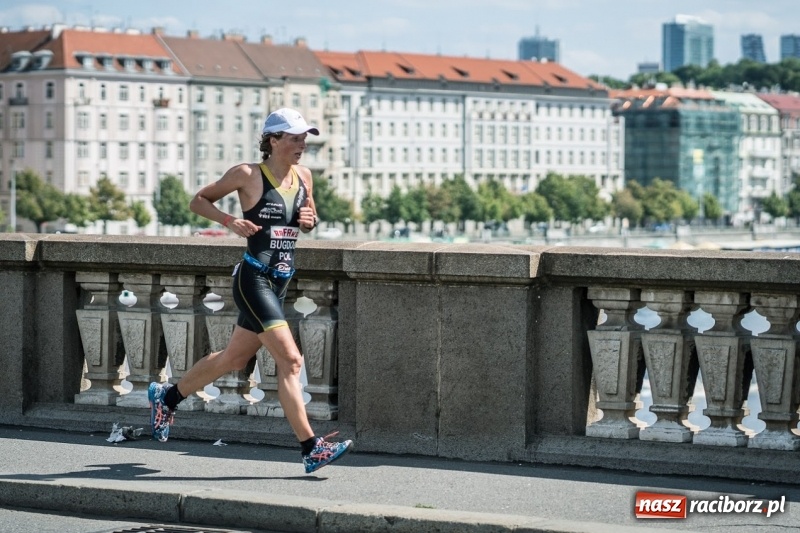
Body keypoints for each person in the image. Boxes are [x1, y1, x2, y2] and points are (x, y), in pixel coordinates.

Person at [147, 107, 352, 474]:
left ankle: (168, 397)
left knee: (234, 359)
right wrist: (230, 221)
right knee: (291, 361)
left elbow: (307, 220)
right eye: (294, 137)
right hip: (253, 278)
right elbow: (198, 200)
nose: (302, 144)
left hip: (281, 281)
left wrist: (310, 221)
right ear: (272, 140)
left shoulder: (304, 176)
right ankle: (311, 448)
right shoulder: (247, 175)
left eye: (305, 137)